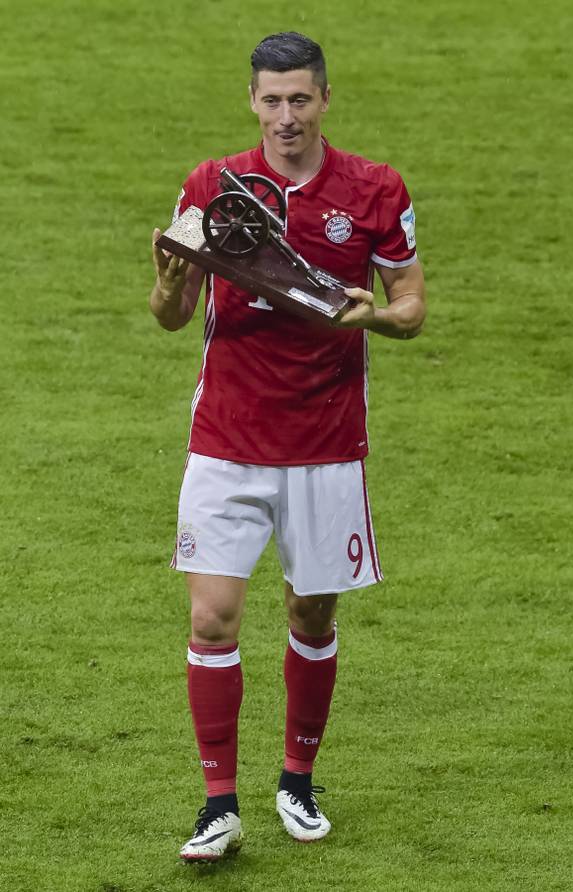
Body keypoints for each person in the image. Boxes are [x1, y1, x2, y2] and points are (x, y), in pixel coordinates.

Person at [149, 31, 426, 862]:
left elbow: (411, 305)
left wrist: (373, 317)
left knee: (311, 612)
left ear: (325, 99)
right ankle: (218, 806)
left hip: (326, 445)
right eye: (271, 100)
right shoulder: (214, 186)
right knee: (212, 618)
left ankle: (296, 782)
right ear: (252, 101)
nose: (286, 116)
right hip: (225, 441)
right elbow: (171, 315)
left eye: (300, 98)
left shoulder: (374, 190)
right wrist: (166, 284)